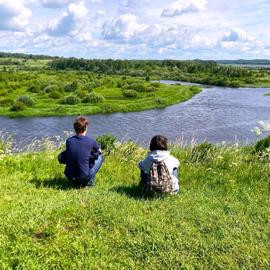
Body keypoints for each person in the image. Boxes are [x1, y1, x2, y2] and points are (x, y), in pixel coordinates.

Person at [58, 116, 104, 187]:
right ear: (86, 128)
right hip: (83, 178)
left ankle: (79, 181)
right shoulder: (91, 141)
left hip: (70, 177)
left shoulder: (69, 141)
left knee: (81, 157)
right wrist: (98, 152)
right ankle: (90, 183)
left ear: (75, 129)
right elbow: (95, 155)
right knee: (100, 157)